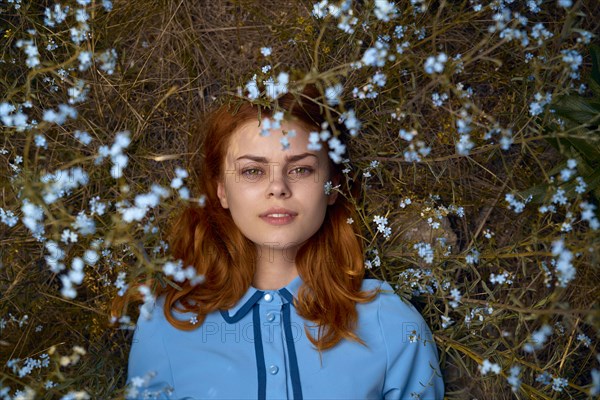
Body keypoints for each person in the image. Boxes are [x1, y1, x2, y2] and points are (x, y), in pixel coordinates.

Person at [125, 85, 445, 399]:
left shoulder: (390, 321)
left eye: (301, 169)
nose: (278, 188)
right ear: (221, 189)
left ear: (332, 186)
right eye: (253, 171)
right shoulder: (168, 323)